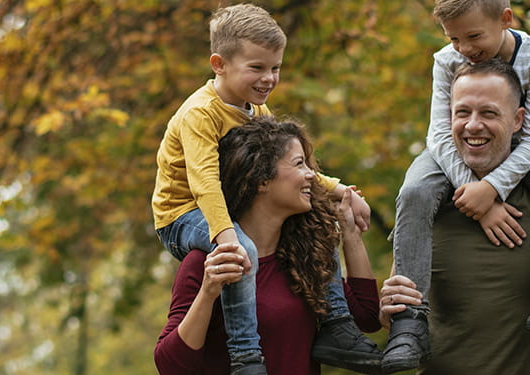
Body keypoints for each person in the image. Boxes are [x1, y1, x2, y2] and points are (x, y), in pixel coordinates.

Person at [150, 4, 379, 374]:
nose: (269, 78)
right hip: (182, 214)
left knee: (315, 225)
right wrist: (227, 239)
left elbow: (287, 161)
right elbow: (204, 182)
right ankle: (246, 356)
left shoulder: (258, 113)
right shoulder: (200, 113)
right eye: (257, 68)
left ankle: (337, 325)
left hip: (219, 208)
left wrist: (338, 192)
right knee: (245, 252)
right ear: (219, 64)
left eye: (275, 68)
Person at [386, 0, 530, 369]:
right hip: (452, 157)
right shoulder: (445, 61)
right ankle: (409, 320)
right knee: (415, 190)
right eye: (454, 39)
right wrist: (476, 195)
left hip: (522, 149)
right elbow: (439, 135)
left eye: (473, 36)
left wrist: (493, 188)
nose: (465, 49)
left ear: (506, 19)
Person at [155, 117, 383, 374]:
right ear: (261, 180)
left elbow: (367, 317)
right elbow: (170, 365)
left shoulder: (302, 255)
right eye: (300, 164)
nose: (311, 174)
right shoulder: (208, 262)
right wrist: (208, 293)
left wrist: (351, 234)